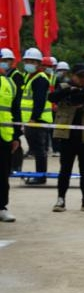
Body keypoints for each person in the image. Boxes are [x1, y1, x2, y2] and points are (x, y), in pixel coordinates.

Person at [48, 62, 84, 213]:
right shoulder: (64, 87)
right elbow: (51, 98)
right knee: (65, 170)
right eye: (79, 76)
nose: (83, 79)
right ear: (72, 76)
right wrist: (68, 91)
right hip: (67, 136)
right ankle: (60, 199)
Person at [16, 47, 52, 184]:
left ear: (39, 64)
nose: (28, 64)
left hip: (38, 120)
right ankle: (39, 175)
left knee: (39, 150)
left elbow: (39, 101)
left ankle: (40, 176)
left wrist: (34, 118)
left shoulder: (40, 79)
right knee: (36, 149)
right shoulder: (29, 77)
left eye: (32, 61)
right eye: (27, 61)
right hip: (30, 120)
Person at [0, 64, 17, 221]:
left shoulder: (9, 83)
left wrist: (16, 136)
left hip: (4, 135)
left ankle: (1, 207)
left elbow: (15, 110)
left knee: (3, 174)